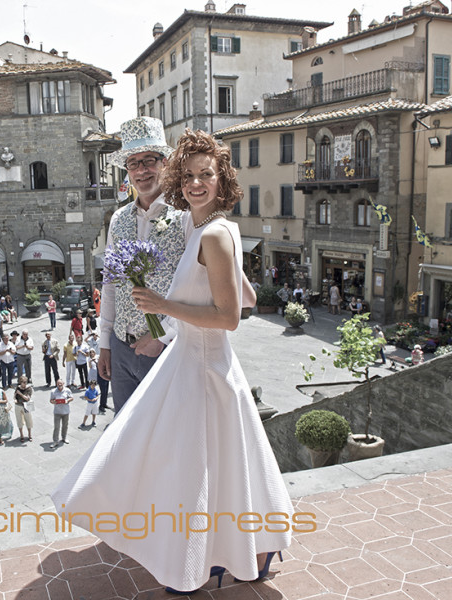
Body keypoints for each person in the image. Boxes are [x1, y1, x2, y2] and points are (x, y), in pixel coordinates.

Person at [52, 130, 291, 593]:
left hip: (201, 370)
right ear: (178, 180)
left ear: (223, 180)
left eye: (207, 175)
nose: (197, 183)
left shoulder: (212, 232)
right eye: (190, 176)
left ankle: (193, 566)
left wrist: (163, 307)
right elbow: (247, 294)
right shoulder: (207, 228)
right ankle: (233, 555)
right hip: (197, 366)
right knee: (216, 470)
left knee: (184, 469)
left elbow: (229, 317)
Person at [98, 117, 186, 414]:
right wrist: (105, 343)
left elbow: (199, 289)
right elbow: (110, 285)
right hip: (121, 350)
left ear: (165, 163)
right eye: (133, 163)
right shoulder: (119, 219)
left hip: (167, 350)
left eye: (149, 160)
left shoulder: (185, 215)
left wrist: (161, 336)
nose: (141, 170)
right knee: (125, 437)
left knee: (162, 440)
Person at [49, 379, 73, 448]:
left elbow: (71, 397)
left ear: (63, 384)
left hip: (66, 411)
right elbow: (51, 400)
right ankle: (55, 441)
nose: (59, 385)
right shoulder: (53, 391)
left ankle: (64, 437)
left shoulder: (67, 390)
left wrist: (67, 400)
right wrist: (54, 402)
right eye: (58, 384)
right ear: (56, 384)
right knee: (56, 427)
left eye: (61, 384)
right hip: (57, 412)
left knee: (65, 426)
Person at [13, 375, 33, 442]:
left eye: (25, 382)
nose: (24, 383)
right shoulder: (18, 388)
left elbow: (27, 398)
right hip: (18, 405)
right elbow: (15, 395)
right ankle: (21, 435)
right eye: (23, 382)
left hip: (26, 405)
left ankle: (29, 435)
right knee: (19, 420)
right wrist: (15, 399)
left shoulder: (29, 388)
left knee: (28, 420)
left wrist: (20, 394)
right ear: (20, 382)